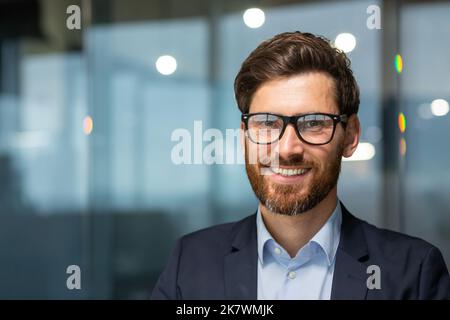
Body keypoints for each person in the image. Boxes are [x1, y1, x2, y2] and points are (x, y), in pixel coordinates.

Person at [151, 31, 450, 300]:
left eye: (314, 123)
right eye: (267, 123)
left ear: (351, 136)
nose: (287, 148)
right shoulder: (189, 263)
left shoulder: (415, 273)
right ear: (244, 136)